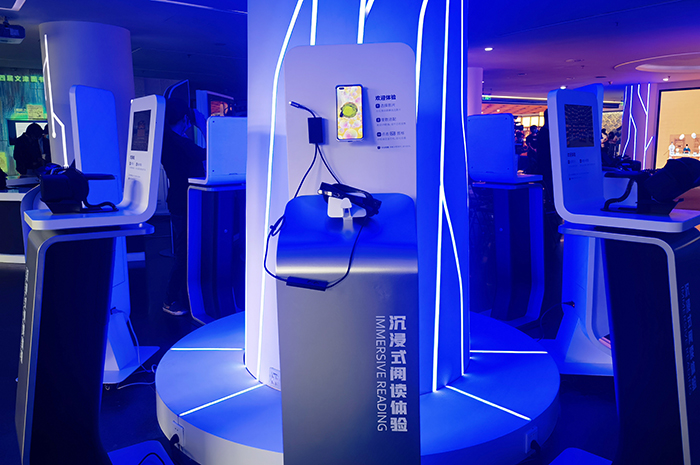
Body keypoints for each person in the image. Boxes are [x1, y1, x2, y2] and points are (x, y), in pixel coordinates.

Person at [160, 97, 207, 316]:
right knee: (184, 253)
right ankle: (169, 300)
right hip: (187, 202)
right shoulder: (182, 144)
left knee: (185, 250)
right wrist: (204, 125)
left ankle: (182, 295)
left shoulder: (168, 140)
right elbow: (213, 153)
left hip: (179, 201)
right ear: (186, 119)